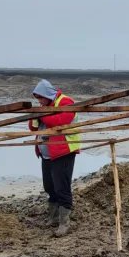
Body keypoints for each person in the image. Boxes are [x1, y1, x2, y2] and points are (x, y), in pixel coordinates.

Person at [29, 79, 81, 237]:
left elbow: (59, 121)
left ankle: (64, 223)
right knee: (49, 186)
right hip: (46, 153)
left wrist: (41, 114)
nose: (39, 101)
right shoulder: (43, 107)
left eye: (41, 98)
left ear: (47, 94)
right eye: (37, 99)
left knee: (61, 187)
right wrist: (37, 116)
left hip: (63, 151)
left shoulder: (65, 101)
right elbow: (33, 126)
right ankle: (53, 217)